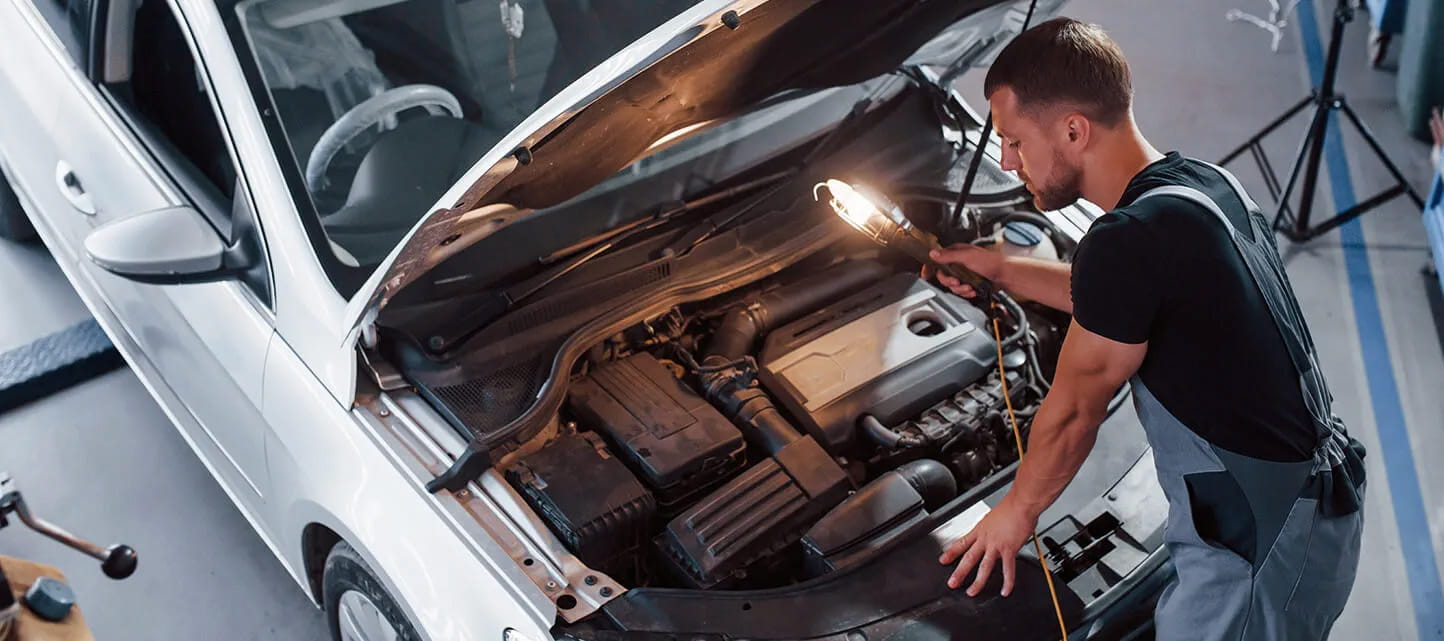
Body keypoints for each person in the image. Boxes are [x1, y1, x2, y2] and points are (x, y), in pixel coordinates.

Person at [926, 17, 1366, 640]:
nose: (1005, 160)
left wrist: (1014, 515)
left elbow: (1076, 411)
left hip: (1257, 544)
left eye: (1015, 140)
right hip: (1308, 505)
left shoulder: (1127, 242)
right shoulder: (1204, 186)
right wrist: (997, 269)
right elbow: (1113, 297)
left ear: (1074, 129)